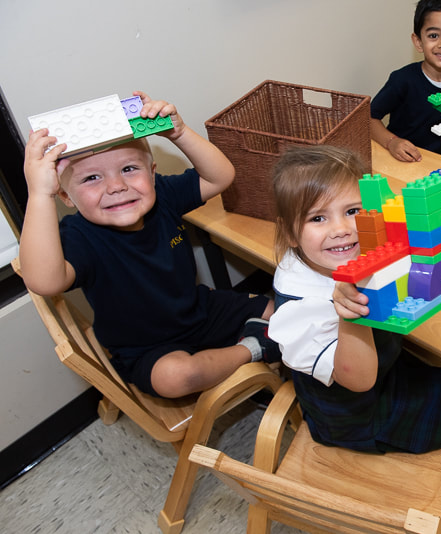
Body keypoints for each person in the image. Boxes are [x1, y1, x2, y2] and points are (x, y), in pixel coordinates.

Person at [20, 91, 278, 399]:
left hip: (200, 311)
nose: (116, 186)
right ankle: (252, 348)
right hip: (144, 347)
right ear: (65, 197)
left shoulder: (164, 197)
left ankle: (248, 344)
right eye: (91, 178)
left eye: (129, 169)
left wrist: (180, 133)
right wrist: (38, 195)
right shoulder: (78, 237)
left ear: (152, 174)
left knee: (283, 311)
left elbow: (221, 177)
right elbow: (43, 282)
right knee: (178, 377)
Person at [267, 145, 441, 453]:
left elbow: (419, 235)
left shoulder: (358, 240)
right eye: (317, 218)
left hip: (388, 364)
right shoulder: (300, 308)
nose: (341, 230)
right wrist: (349, 314)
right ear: (289, 233)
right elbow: (358, 379)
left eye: (352, 211)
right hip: (360, 416)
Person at [370, 0, 441, 162]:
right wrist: (391, 142)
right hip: (402, 160)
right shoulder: (402, 79)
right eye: (434, 35)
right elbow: (369, 118)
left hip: (440, 165)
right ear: (418, 41)